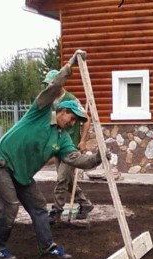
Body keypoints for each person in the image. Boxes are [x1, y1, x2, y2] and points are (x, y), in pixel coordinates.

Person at [0, 49, 108, 259]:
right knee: (11, 206)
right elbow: (55, 86)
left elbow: (77, 160)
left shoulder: (63, 139)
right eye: (72, 118)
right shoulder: (40, 112)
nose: (73, 124)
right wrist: (71, 64)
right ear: (62, 111)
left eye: (77, 121)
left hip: (21, 174)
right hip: (0, 163)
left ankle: (47, 246)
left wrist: (98, 157)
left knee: (39, 207)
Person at [41, 70, 94, 224]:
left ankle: (56, 211)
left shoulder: (71, 99)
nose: (49, 87)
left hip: (69, 146)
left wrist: (83, 140)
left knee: (61, 179)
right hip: (57, 145)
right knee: (67, 180)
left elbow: (87, 119)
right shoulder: (51, 100)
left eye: (51, 84)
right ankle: (85, 204)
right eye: (48, 84)